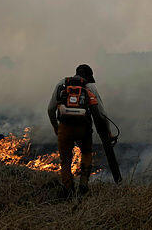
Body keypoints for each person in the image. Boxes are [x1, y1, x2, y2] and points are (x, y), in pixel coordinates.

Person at [47, 64, 115, 195]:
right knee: (86, 153)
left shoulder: (61, 84)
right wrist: (109, 132)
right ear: (88, 77)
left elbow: (50, 109)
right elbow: (101, 114)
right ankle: (83, 185)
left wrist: (56, 128)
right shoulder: (90, 87)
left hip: (64, 128)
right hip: (83, 128)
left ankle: (68, 189)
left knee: (66, 159)